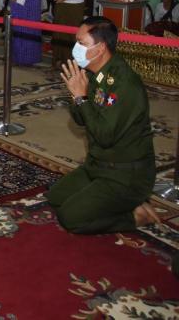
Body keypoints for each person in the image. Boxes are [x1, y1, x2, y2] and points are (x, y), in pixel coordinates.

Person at [47, 17, 159, 233]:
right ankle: (120, 202)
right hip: (98, 166)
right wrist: (76, 95)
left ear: (100, 49)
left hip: (125, 175)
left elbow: (105, 136)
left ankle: (134, 216)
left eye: (82, 43)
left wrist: (81, 98)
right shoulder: (94, 74)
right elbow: (81, 120)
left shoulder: (124, 83)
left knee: (70, 218)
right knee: (56, 197)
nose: (76, 48)